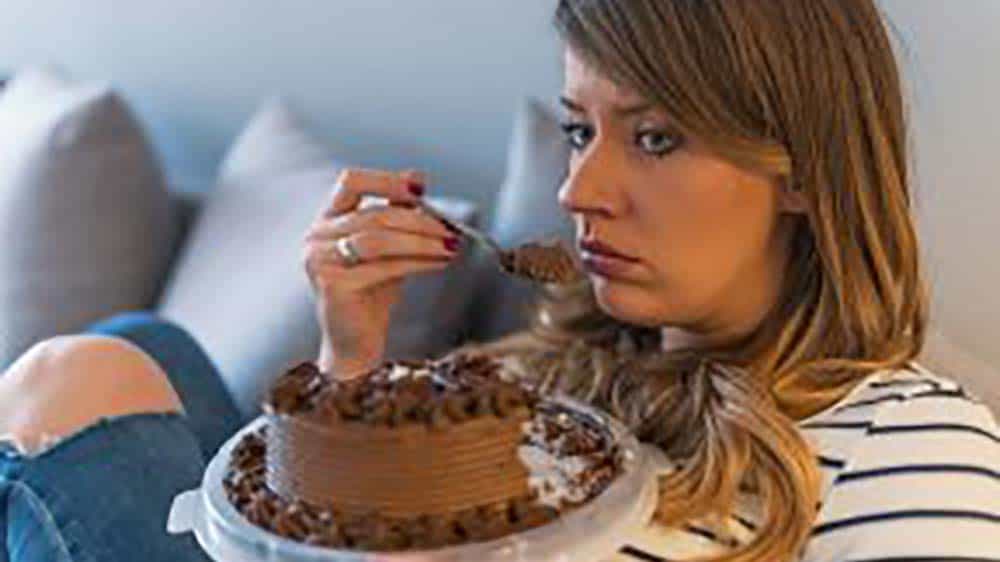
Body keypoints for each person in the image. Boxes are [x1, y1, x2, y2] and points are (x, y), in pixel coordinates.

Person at [2, 0, 998, 560]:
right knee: (139, 350)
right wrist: (350, 366)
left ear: (808, 171)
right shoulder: (532, 378)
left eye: (655, 138)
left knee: (76, 376)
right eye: (578, 130)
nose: (577, 190)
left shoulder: (910, 442)